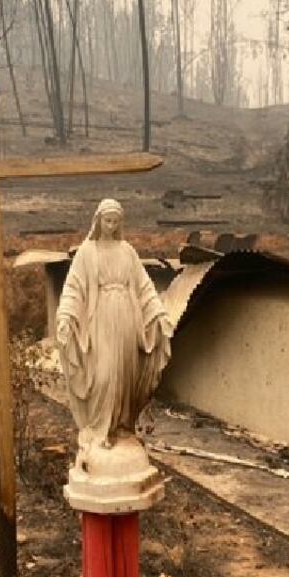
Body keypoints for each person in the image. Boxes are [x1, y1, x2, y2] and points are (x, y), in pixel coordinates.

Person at [56, 198, 173, 467]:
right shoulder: (88, 251)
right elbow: (74, 287)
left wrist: (159, 314)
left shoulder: (127, 251)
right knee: (105, 373)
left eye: (116, 221)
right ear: (98, 221)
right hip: (100, 320)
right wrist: (65, 316)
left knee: (125, 373)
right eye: (107, 221)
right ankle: (99, 428)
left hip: (127, 319)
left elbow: (144, 287)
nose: (111, 225)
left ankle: (121, 426)